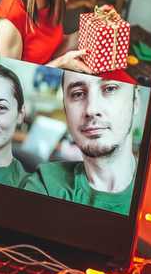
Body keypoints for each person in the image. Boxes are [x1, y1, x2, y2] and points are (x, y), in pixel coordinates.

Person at [24, 69, 139, 214]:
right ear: (65, 109)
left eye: (110, 89)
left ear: (135, 102)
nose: (91, 109)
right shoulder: (45, 184)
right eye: (78, 94)